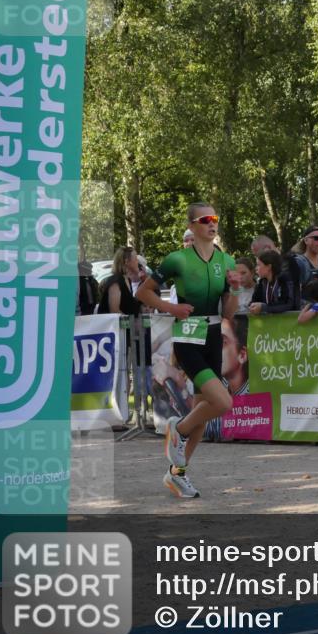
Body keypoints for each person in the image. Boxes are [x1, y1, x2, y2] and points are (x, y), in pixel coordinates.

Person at [136, 202, 240, 498]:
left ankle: (177, 475)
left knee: (202, 415)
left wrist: (234, 289)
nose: (212, 224)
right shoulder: (176, 260)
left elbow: (230, 313)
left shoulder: (227, 261)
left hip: (213, 336)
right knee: (222, 402)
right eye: (205, 219)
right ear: (192, 226)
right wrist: (171, 308)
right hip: (188, 338)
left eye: (215, 219)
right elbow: (143, 291)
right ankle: (177, 429)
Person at [204, 315, 250, 442]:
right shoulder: (213, 384)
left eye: (222, 342)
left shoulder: (254, 393)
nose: (214, 350)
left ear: (242, 354)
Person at [249, 250, 298, 314]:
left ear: (269, 267)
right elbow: (254, 301)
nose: (256, 268)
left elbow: (287, 304)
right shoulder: (262, 282)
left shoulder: (284, 280)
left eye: (258, 265)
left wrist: (264, 307)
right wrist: (252, 306)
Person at [98, 246, 143, 316]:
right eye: (136, 258)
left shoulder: (127, 280)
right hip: (113, 326)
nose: (138, 261)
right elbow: (114, 311)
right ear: (126, 261)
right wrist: (132, 323)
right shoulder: (115, 282)